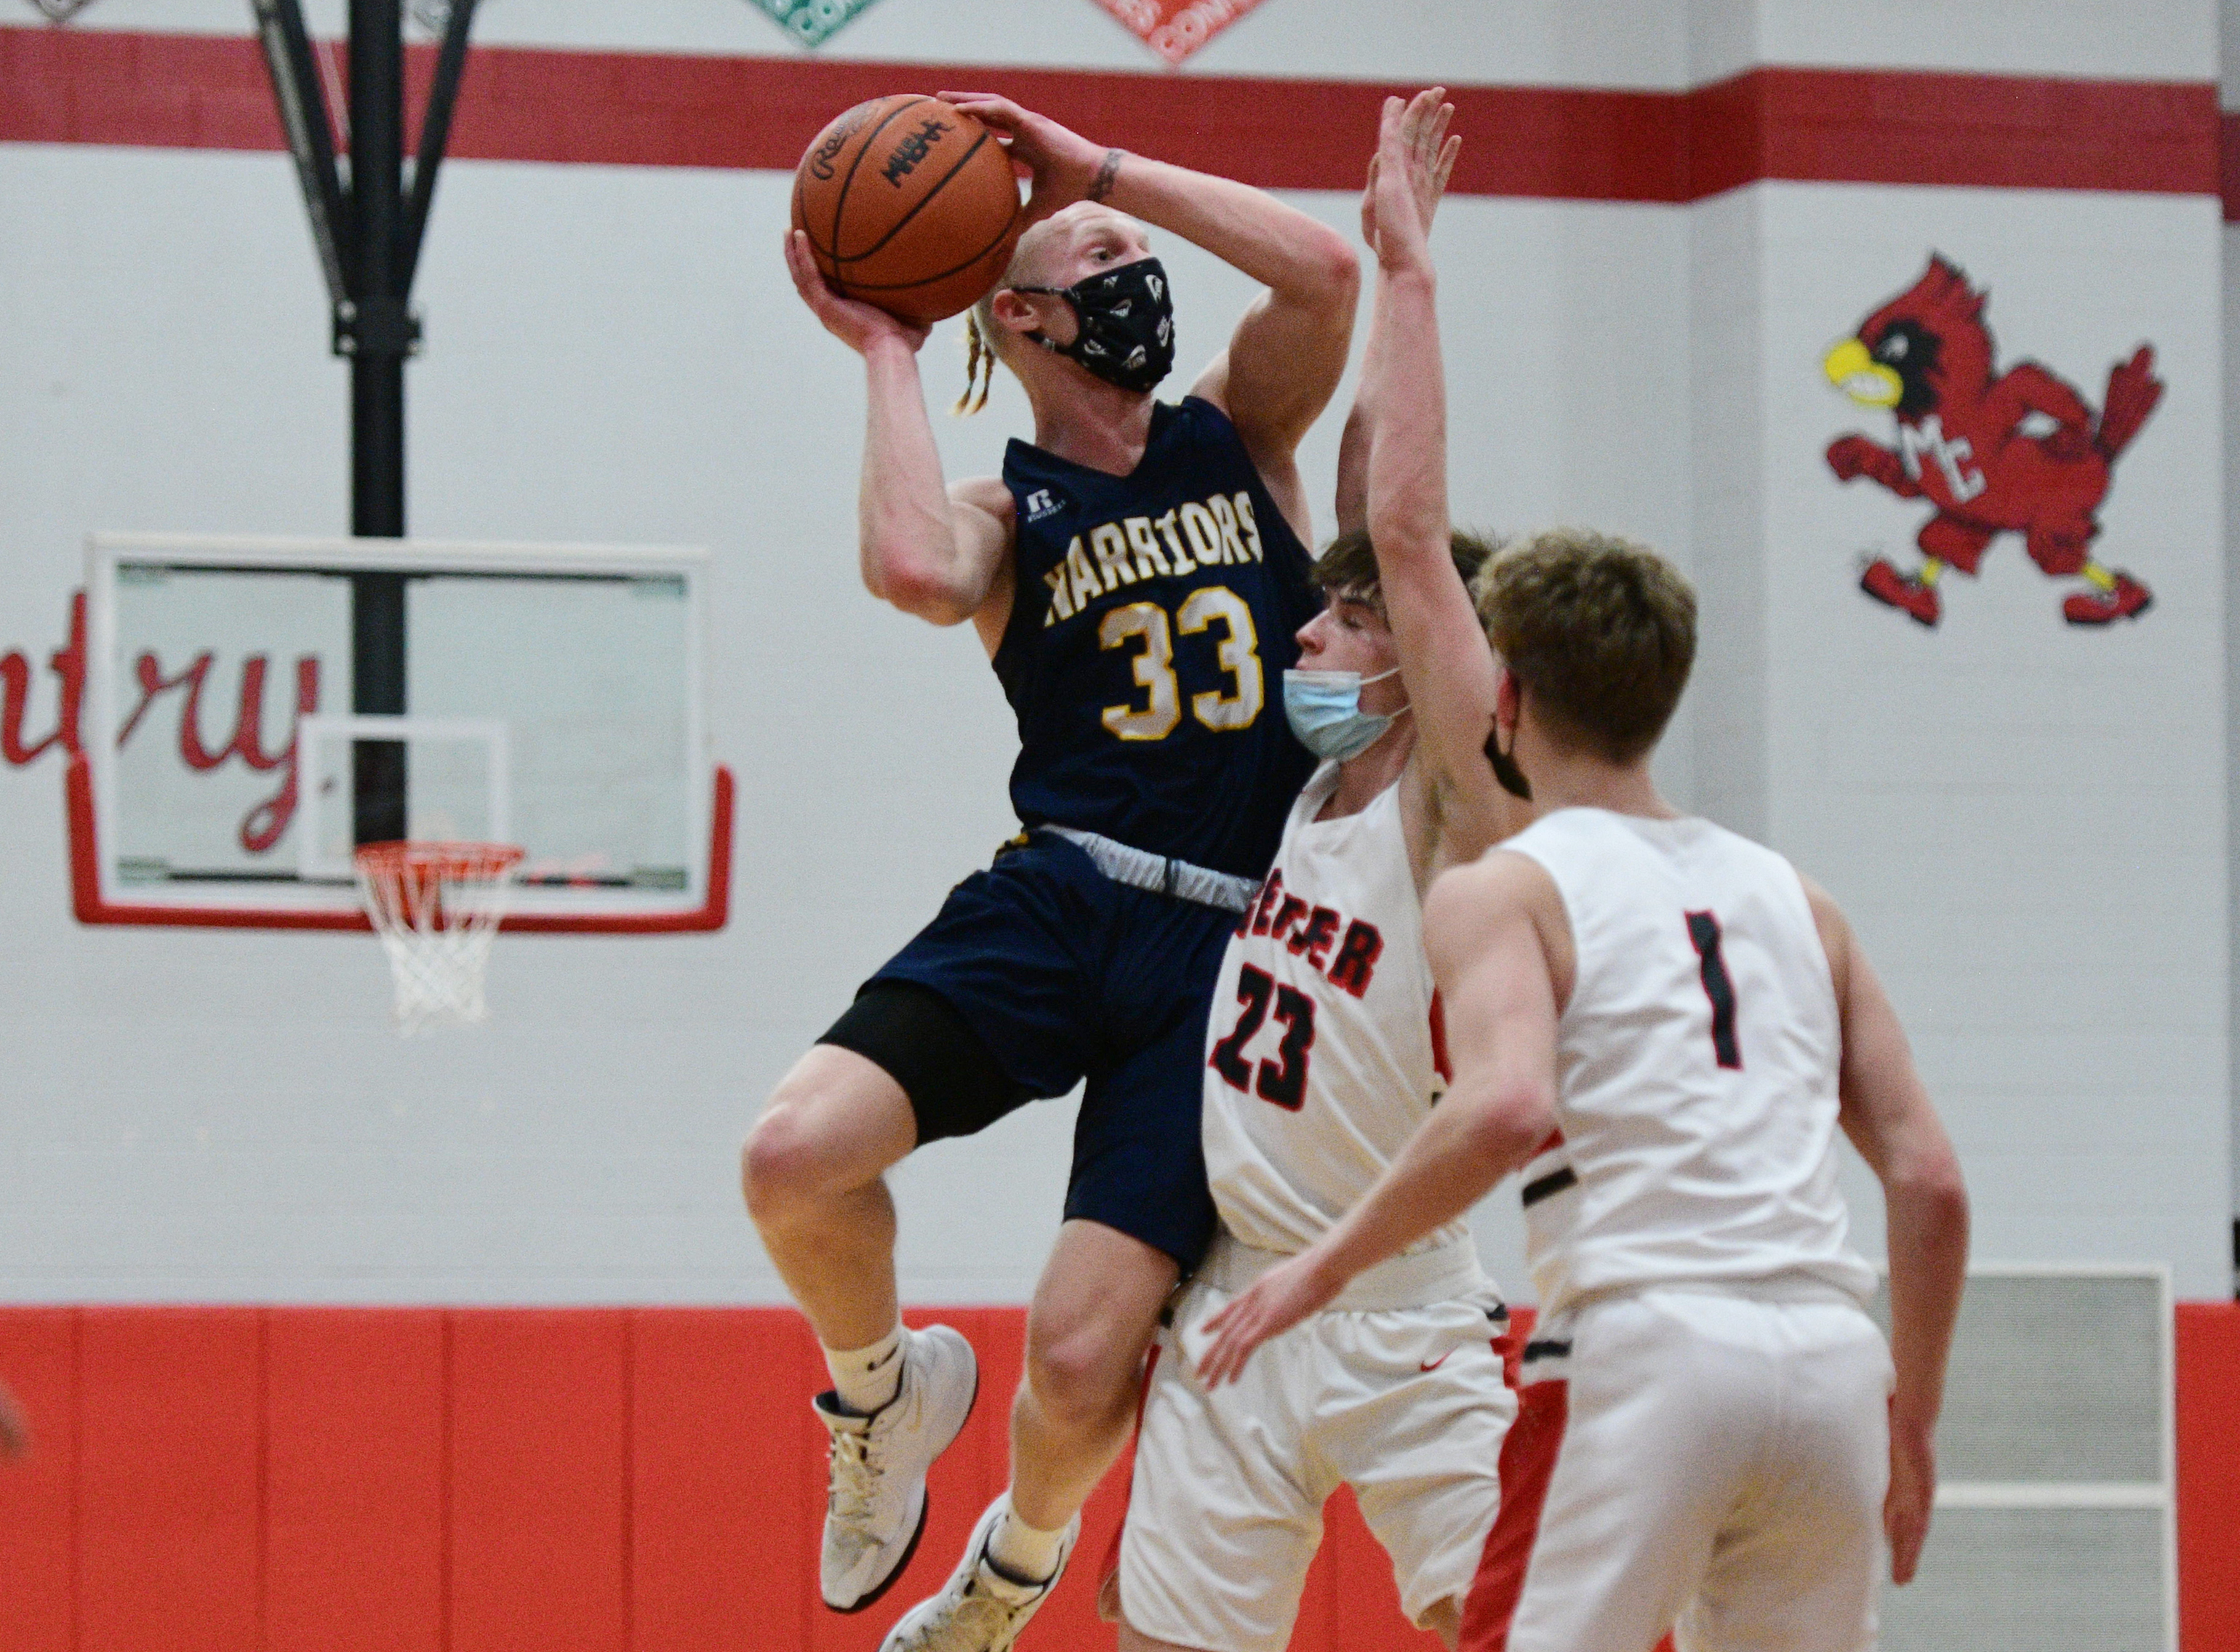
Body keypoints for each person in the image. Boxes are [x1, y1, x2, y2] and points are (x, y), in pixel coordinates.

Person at [750, 89, 1359, 1652]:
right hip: (1061, 892)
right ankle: (882, 1395)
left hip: (1232, 948)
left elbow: (1325, 272)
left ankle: (1011, 1566)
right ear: (1017, 310)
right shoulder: (999, 510)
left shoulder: (1239, 429)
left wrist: (1094, 162)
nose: (1138, 255)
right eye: (1102, 245)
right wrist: (887, 349)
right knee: (794, 1155)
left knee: (1083, 1360)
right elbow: (903, 569)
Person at [1197, 529, 1971, 1652]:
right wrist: (1917, 1420)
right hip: (1832, 1366)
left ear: (1501, 692)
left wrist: (1320, 1267)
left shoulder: (1513, 886)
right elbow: (1930, 1180)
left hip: (1645, 1348)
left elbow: (1505, 1109)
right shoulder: (1800, 900)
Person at [1111, 91, 1524, 1652]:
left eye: (1342, 623)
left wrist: (1407, 281)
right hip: (1235, 1294)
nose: (1303, 632)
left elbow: (1405, 534)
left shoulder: (1456, 799)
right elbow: (1364, 491)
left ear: (1426, 664)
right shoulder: (1306, 782)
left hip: (1399, 1304)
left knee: (1527, 1626)